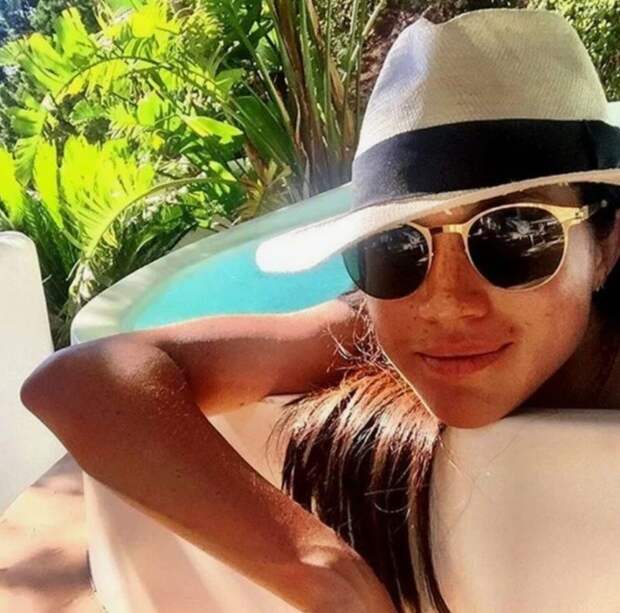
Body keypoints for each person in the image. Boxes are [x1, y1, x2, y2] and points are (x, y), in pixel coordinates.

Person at [20, 7, 620, 613]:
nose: (444, 304)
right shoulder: (366, 323)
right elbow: (80, 381)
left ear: (607, 247)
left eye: (514, 234)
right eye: (394, 249)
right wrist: (322, 572)